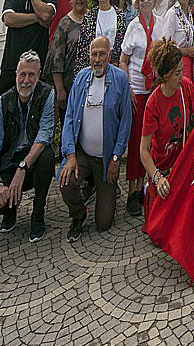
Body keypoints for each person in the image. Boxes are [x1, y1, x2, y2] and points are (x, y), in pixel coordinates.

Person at [59, 36, 132, 242]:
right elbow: (70, 118)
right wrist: (70, 155)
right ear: (89, 56)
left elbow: (125, 122)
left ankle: (104, 187)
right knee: (66, 181)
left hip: (106, 158)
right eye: (94, 54)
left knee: (103, 223)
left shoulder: (119, 80)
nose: (97, 59)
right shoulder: (81, 78)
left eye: (102, 54)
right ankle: (78, 215)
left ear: (109, 55)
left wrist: (116, 158)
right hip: (82, 153)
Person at [0, 51, 54, 242]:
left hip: (32, 162)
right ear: (16, 75)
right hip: (9, 163)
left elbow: (44, 135)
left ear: (39, 76)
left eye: (31, 75)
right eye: (23, 74)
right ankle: (9, 209)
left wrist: (23, 167)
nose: (26, 80)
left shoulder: (47, 94)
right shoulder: (3, 102)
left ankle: (38, 214)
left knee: (46, 156)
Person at [139, 39, 194, 228]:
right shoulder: (153, 103)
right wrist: (157, 177)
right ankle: (149, 190)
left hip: (181, 166)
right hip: (162, 170)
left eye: (181, 71)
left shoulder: (184, 86)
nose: (181, 76)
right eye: (177, 73)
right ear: (166, 75)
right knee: (159, 230)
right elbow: (143, 151)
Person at [120, 0, 163, 217]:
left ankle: (147, 185)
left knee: (152, 138)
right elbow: (123, 60)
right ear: (137, 1)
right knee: (137, 139)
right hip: (136, 90)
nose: (146, 1)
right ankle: (132, 189)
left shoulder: (159, 24)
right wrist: (127, 86)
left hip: (154, 90)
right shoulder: (133, 27)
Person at [0, 0, 57, 95]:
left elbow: (46, 15)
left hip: (37, 65)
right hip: (11, 64)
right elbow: (9, 19)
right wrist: (36, 17)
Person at [45, 0, 88, 127]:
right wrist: (60, 90)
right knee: (69, 128)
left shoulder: (93, 20)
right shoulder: (64, 23)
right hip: (70, 87)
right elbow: (56, 59)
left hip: (91, 87)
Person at [74, 0, 127, 75]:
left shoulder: (120, 15)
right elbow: (82, 50)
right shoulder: (89, 17)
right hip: (93, 69)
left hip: (114, 71)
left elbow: (123, 47)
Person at [159, 0, 194, 83]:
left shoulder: (189, 14)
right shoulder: (172, 14)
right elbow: (165, 47)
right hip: (176, 67)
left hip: (189, 66)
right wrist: (186, 51)